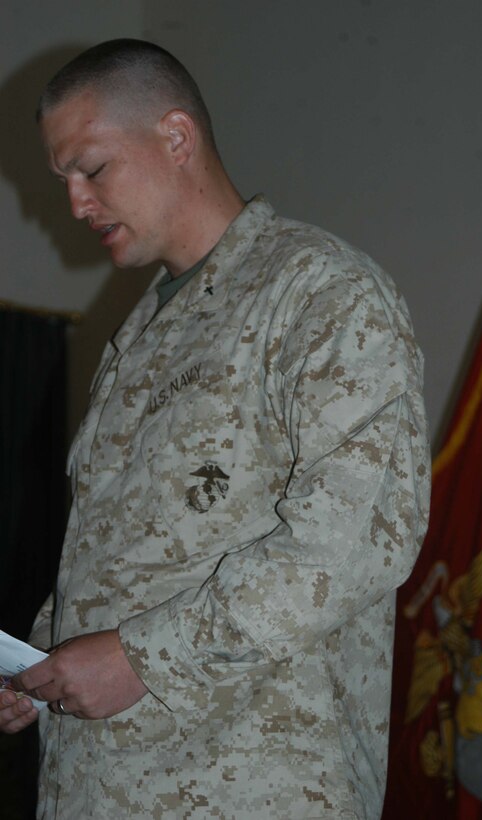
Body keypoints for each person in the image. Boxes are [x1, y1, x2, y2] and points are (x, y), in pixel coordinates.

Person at [0, 39, 430, 819]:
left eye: (91, 169)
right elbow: (124, 556)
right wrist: (47, 665)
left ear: (174, 137)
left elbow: (358, 539)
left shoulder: (318, 294)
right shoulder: (137, 339)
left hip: (253, 788)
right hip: (99, 789)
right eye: (61, 180)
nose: (74, 206)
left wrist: (142, 658)